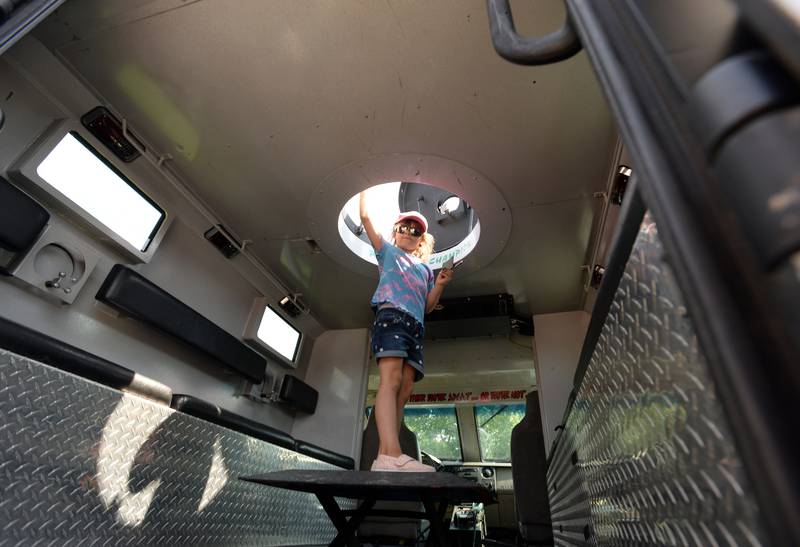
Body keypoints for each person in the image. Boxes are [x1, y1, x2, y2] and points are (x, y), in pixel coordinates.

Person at [359, 191, 453, 472]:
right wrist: (364, 186)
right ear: (395, 232)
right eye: (405, 228)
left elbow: (426, 307)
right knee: (392, 379)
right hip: (392, 316)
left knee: (406, 387)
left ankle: (384, 457)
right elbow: (365, 217)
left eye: (416, 231)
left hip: (415, 325)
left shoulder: (424, 270)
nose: (410, 233)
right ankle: (393, 454)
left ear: (421, 240)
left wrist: (440, 284)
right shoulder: (387, 251)